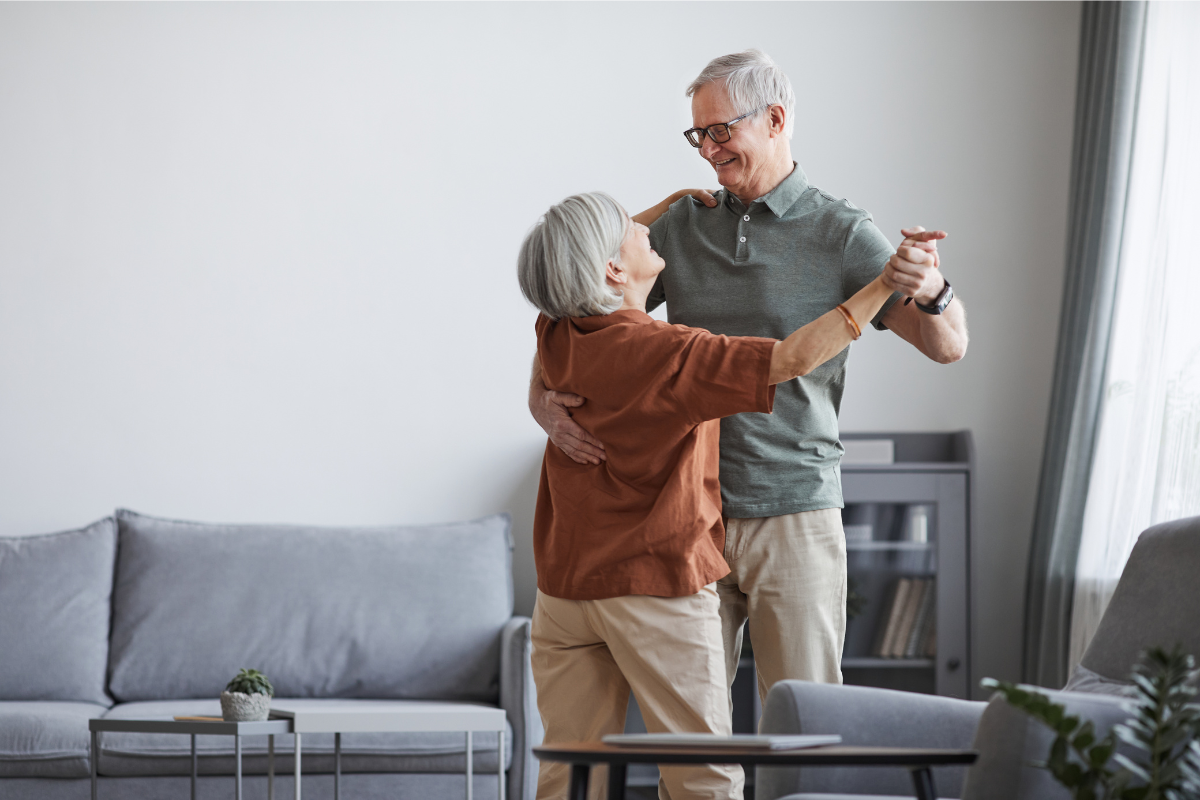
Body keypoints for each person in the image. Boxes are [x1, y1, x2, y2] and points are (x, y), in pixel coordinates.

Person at [529, 50, 969, 711]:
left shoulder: (841, 233)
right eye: (697, 134)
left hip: (795, 510)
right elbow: (573, 301)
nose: (706, 150)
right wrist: (541, 402)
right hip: (687, 520)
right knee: (697, 731)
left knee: (805, 716)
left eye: (719, 131)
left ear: (775, 119)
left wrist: (931, 287)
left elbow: (949, 345)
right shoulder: (680, 227)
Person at [517, 191, 919, 800]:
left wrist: (673, 202)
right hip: (652, 586)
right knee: (702, 776)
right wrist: (882, 283)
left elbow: (571, 260)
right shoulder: (671, 353)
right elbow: (791, 358)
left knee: (572, 776)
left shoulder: (558, 329)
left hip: (565, 590)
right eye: (629, 226)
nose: (645, 226)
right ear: (611, 268)